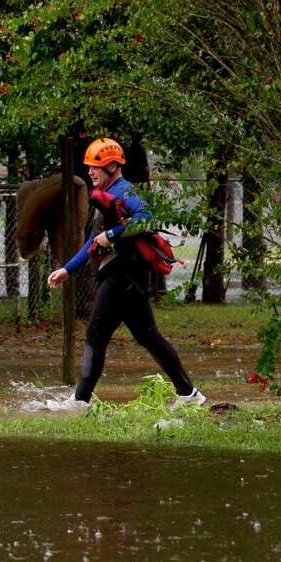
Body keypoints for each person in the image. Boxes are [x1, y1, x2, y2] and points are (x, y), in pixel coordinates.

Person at [47, 138, 205, 411]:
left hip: (123, 279)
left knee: (95, 336)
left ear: (111, 166)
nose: (90, 173)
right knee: (149, 337)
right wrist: (67, 269)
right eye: (88, 168)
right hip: (127, 280)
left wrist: (111, 234)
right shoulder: (106, 195)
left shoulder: (124, 190)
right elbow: (94, 243)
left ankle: (80, 401)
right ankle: (189, 394)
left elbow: (145, 217)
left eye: (95, 167)